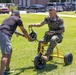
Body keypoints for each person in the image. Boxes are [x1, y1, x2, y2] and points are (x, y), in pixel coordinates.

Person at [0, 10, 33, 75]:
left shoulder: (7, 19)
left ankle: (7, 69)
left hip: (1, 33)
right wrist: (29, 38)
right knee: (5, 55)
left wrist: (23, 35)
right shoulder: (17, 19)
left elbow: (14, 31)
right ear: (17, 15)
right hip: (5, 35)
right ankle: (1, 73)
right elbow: (24, 30)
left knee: (10, 51)